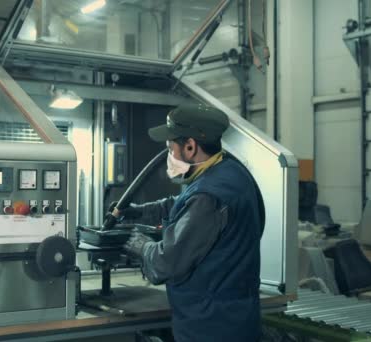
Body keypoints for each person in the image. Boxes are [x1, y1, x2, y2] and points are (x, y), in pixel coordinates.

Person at [110, 103, 265, 341]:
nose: (169, 155)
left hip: (210, 326)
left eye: (170, 148)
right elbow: (181, 203)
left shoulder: (208, 196)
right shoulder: (229, 172)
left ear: (190, 146)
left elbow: (165, 263)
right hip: (236, 317)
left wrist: (142, 247)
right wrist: (138, 211)